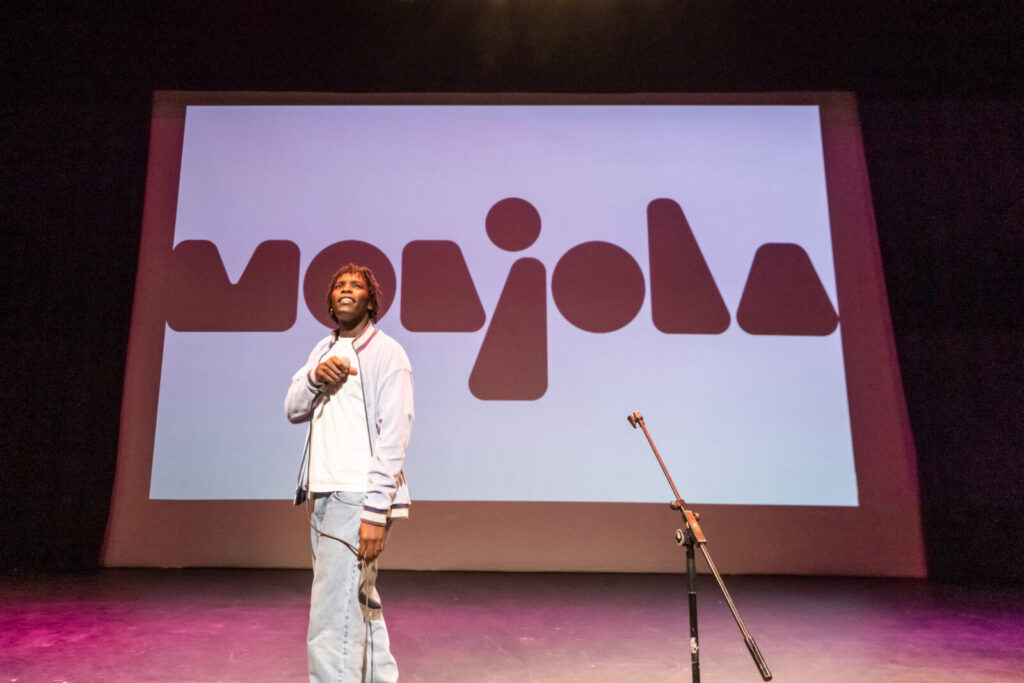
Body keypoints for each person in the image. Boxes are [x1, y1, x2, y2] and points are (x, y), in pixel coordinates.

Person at [285, 263, 414, 682]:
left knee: (330, 617)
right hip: (322, 495)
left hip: (357, 496)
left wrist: (376, 511)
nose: (346, 290)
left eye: (356, 286)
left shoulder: (386, 353)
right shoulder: (320, 352)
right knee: (357, 605)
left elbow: (395, 435)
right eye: (339, 285)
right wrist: (314, 377)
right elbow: (292, 409)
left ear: (370, 301)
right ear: (330, 300)